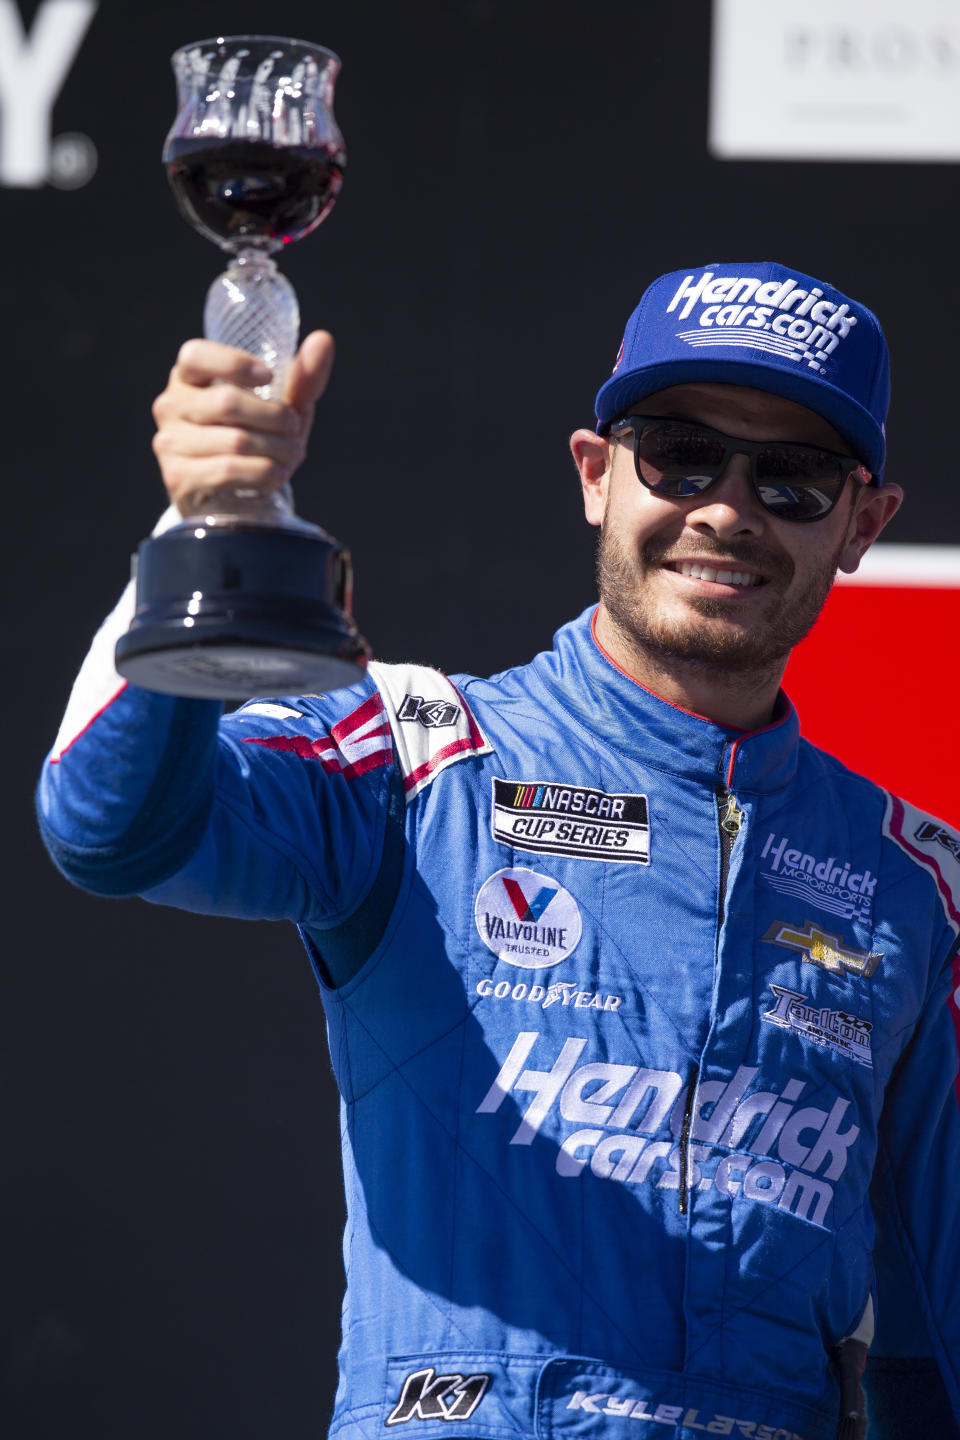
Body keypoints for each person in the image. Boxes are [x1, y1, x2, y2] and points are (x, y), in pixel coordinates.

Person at [38, 261, 960, 1440]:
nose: (727, 508)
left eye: (791, 477)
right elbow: (110, 830)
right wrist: (201, 530)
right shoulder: (414, 751)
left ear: (862, 526)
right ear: (596, 475)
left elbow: (934, 1343)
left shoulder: (912, 883)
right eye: (679, 452)